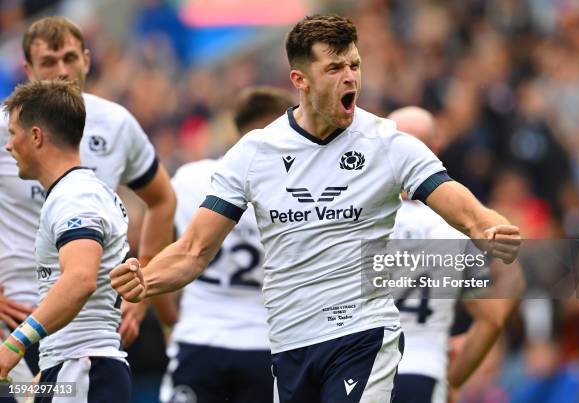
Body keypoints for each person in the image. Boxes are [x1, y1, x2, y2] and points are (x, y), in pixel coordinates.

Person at [111, 14, 520, 403]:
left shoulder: (387, 143)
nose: (350, 77)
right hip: (289, 343)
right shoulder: (256, 153)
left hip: (362, 334)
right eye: (335, 68)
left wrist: (486, 226)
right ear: (300, 80)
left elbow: (457, 202)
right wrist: (146, 278)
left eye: (355, 65)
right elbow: (193, 251)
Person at [0, 15, 177, 389]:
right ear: (28, 68)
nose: (62, 70)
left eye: (69, 58)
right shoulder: (6, 128)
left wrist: (143, 284)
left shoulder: (114, 124)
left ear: (86, 59)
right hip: (16, 313)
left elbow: (162, 200)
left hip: (85, 328)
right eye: (49, 62)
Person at [159, 86, 294, 403]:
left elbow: (157, 256)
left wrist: (170, 323)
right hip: (267, 345)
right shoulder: (298, 191)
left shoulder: (190, 178)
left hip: (199, 338)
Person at [0, 79, 131, 402]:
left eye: (12, 134)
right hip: (72, 369)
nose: (8, 146)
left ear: (35, 136)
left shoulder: (75, 196)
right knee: (10, 395)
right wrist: (47, 376)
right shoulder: (81, 191)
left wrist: (14, 345)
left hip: (84, 367)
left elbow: (81, 279)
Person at [388, 106, 523, 403]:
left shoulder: (358, 220)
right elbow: (492, 318)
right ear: (435, 152)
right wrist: (453, 379)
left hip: (363, 371)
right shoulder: (455, 229)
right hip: (424, 370)